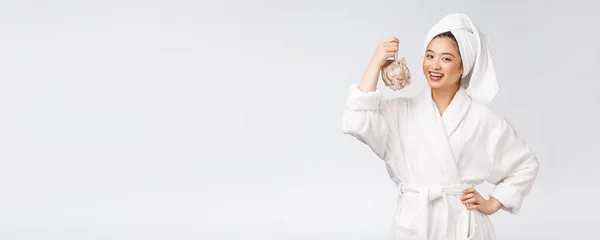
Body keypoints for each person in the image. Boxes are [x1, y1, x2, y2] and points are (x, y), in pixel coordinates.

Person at [342, 13, 539, 240]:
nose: (434, 65)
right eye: (429, 55)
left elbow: (525, 164)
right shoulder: (401, 112)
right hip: (415, 226)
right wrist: (375, 63)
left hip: (463, 228)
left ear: (462, 67)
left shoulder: (482, 119)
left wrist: (493, 203)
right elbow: (358, 121)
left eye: (446, 58)